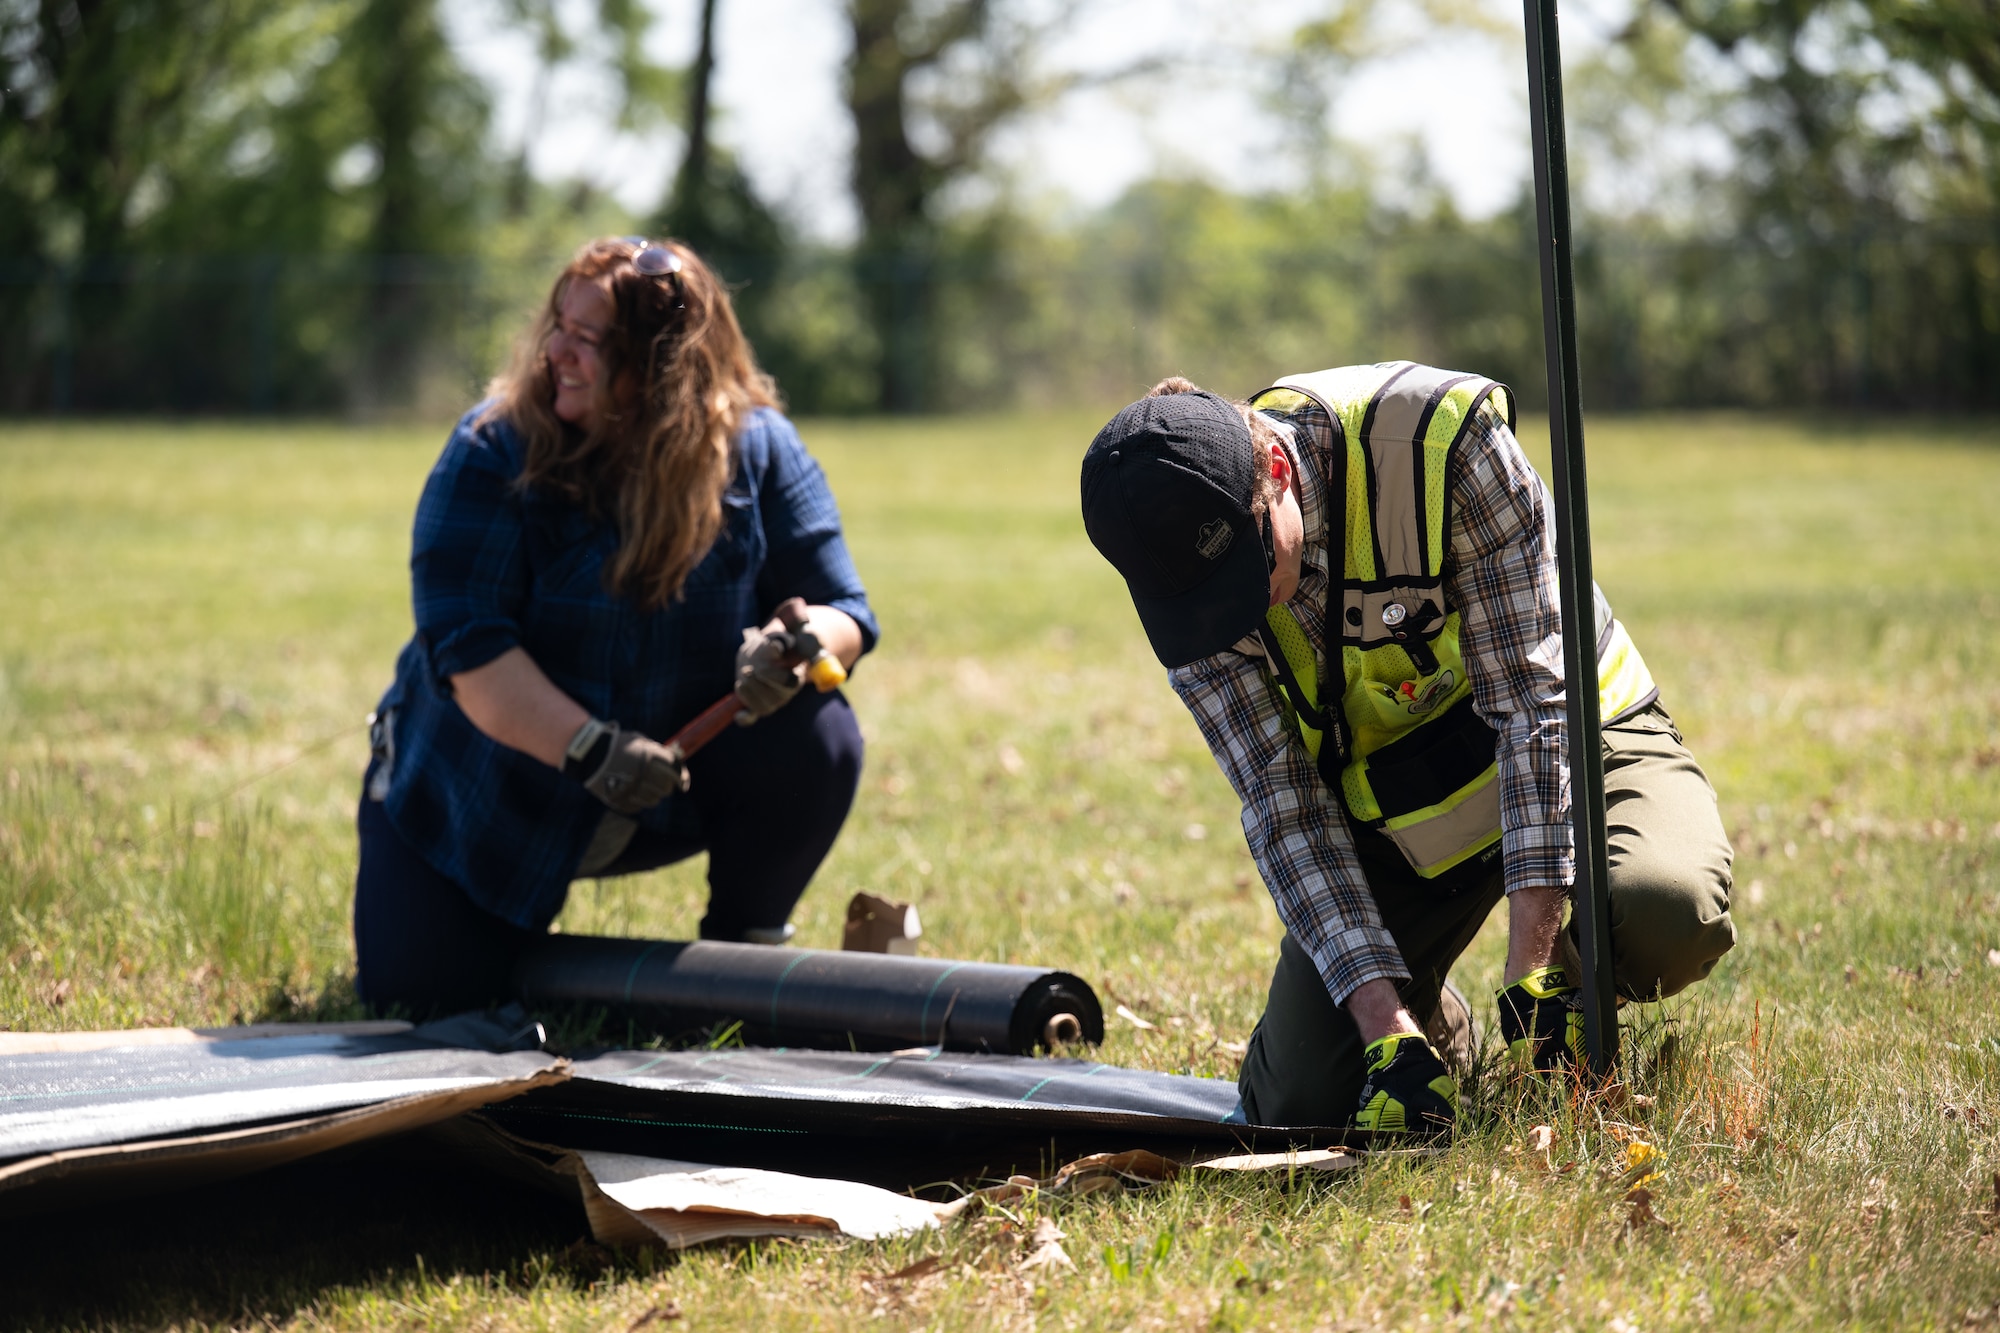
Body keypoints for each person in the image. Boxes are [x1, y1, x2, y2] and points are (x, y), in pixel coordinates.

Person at [1079, 362, 1734, 1133]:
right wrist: (1386, 1028)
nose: (1242, 609)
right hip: (1406, 813)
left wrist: (1533, 963)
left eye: (1247, 571)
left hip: (1577, 744)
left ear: (1278, 473)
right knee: (1300, 1105)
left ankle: (1568, 989)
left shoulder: (1440, 446)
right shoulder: (1190, 605)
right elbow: (1284, 809)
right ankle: (1434, 1030)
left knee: (1666, 912)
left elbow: (1532, 706)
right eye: (1206, 599)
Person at [354, 236, 876, 1014]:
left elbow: (845, 610)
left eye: (588, 339)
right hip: (490, 790)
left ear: (662, 367)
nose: (555, 352)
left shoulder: (759, 447)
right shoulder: (490, 448)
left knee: (821, 730)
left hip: (674, 780)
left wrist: (798, 648)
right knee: (425, 999)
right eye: (557, 324)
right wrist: (589, 746)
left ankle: (743, 950)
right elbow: (468, 650)